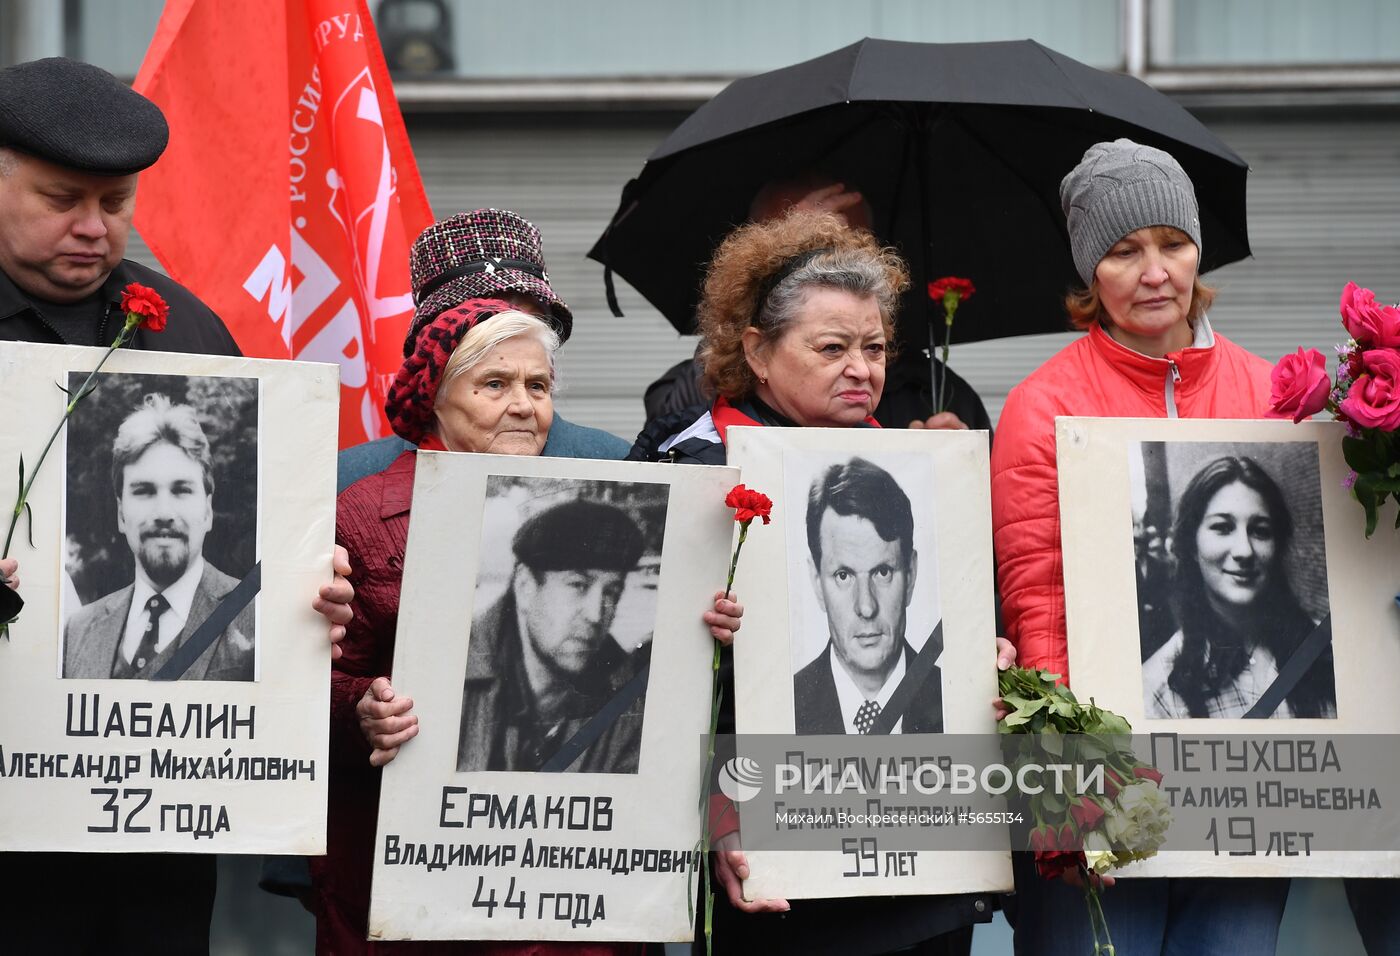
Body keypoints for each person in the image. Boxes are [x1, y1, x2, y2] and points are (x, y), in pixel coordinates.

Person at [0, 56, 354, 955]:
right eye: (61, 199)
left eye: (115, 204)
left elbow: (271, 522)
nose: (93, 229)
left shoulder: (184, 330)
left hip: (157, 825)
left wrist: (310, 595)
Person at [631, 208, 1014, 956]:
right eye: (832, 347)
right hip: (777, 874)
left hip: (925, 873)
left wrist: (985, 650)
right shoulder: (694, 470)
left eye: (874, 348)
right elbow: (656, 686)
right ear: (758, 352)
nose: (863, 369)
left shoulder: (918, 470)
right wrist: (722, 819)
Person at [315, 280, 741, 950]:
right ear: (435, 394)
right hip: (413, 890)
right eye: (494, 385)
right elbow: (300, 688)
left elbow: (668, 713)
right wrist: (361, 707)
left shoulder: (626, 507)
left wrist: (706, 627)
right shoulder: (366, 514)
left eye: (538, 387)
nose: (523, 406)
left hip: (578, 898)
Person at [991, 139, 1288, 954]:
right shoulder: (1041, 404)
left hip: (1248, 786)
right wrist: (1065, 783)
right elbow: (1038, 596)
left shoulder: (1272, 393)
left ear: (1200, 250)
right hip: (1105, 781)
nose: (1155, 272)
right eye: (1124, 251)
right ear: (1091, 271)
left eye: (1172, 244)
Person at [640, 172, 991, 434]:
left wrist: (943, 473)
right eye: (792, 252)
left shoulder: (937, 391)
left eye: (848, 248)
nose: (830, 267)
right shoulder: (694, 422)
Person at [63, 393, 256, 681]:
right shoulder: (76, 631)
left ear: (207, 509)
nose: (164, 512)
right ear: (120, 513)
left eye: (181, 490)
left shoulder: (257, 616)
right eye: (144, 490)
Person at [457, 498, 650, 772]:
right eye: (578, 585)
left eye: (612, 592)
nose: (596, 615)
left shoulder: (631, 700)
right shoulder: (451, 667)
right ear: (525, 586)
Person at [1141, 455, 1334, 719]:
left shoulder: (1324, 648)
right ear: (1192, 546)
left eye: (1260, 530)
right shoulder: (1158, 689)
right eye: (1222, 527)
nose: (1244, 550)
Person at [794, 456, 943, 735]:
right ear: (816, 582)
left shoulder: (959, 695)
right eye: (843, 576)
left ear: (910, 575)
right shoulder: (781, 704)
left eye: (883, 572)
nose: (866, 606)